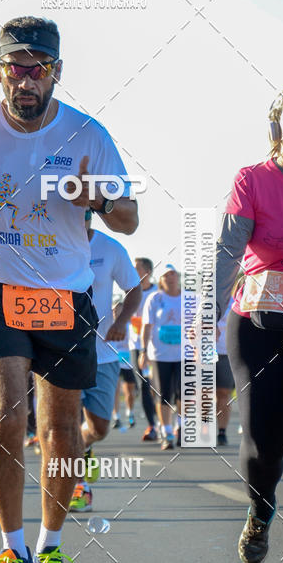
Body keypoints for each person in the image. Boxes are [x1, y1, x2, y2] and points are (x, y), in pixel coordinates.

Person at [0, 15, 138, 563]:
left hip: (66, 297)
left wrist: (98, 198)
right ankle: (12, 549)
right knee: (5, 415)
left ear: (56, 73)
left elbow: (129, 219)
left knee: (60, 429)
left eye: (38, 69)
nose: (25, 81)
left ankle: (49, 546)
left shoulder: (88, 135)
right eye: (14, 69)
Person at [215, 86, 283, 563]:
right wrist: (204, 313)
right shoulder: (254, 180)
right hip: (259, 324)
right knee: (265, 439)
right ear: (277, 128)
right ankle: (260, 511)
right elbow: (227, 251)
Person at [69, 215, 141, 513]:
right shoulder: (50, 245)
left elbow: (134, 290)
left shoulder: (111, 248)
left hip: (104, 353)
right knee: (65, 426)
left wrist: (122, 322)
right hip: (61, 352)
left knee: (99, 427)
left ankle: (85, 446)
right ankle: (78, 487)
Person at [139, 265, 182, 451]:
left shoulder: (189, 298)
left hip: (184, 354)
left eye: (173, 274)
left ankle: (180, 427)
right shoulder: (154, 299)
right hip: (159, 354)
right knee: (163, 394)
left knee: (184, 394)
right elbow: (147, 326)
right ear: (161, 279)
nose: (170, 278)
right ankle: (166, 433)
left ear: (178, 277)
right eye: (166, 276)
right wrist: (143, 352)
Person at [130, 258, 159, 440]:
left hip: (157, 347)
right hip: (137, 346)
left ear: (147, 271)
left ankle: (168, 423)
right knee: (143, 385)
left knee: (161, 387)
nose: (133, 271)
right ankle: (152, 426)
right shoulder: (130, 292)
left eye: (137, 268)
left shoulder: (158, 293)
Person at [111, 302, 137, 429]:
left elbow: (135, 341)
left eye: (120, 311)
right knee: (115, 390)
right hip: (114, 361)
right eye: (115, 311)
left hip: (127, 362)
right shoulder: (108, 325)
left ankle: (130, 413)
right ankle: (116, 417)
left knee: (129, 391)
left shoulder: (129, 325)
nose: (117, 313)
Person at [215, 301, 235, 446]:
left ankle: (222, 431)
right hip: (203, 353)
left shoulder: (234, 300)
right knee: (203, 393)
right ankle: (204, 427)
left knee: (223, 392)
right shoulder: (199, 298)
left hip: (226, 353)